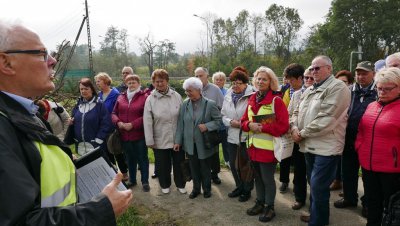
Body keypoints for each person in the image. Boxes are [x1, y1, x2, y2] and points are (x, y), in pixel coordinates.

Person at [0, 20, 131, 226]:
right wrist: (100, 211)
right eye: (42, 54)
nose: (52, 60)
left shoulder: (23, 112)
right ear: (6, 63)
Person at [291, 55, 351, 225]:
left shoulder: (338, 88)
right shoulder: (309, 89)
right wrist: (294, 128)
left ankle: (318, 221)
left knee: (318, 186)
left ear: (329, 69)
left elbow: (327, 119)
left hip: (327, 147)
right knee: (315, 185)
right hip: (308, 145)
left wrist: (301, 133)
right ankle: (316, 215)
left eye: (317, 68)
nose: (313, 71)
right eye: (311, 68)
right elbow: (296, 112)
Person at [241, 66, 289, 223]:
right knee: (257, 179)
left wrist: (262, 127)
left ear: (271, 82)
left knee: (267, 180)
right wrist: (249, 125)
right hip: (253, 148)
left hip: (268, 150)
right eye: (258, 79)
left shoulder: (276, 101)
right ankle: (260, 202)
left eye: (264, 79)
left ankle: (270, 207)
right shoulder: (252, 99)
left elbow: (283, 126)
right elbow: (243, 122)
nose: (260, 81)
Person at [355, 67, 400, 225]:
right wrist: (360, 147)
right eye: (379, 88)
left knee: (391, 208)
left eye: (388, 88)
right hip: (368, 167)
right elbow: (361, 130)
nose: (382, 92)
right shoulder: (371, 106)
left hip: (392, 171)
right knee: (372, 205)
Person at [334, 61, 376, 217]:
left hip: (368, 140)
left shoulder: (378, 92)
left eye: (364, 73)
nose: (360, 76)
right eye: (358, 73)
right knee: (348, 172)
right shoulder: (348, 90)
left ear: (373, 74)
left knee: (368, 175)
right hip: (348, 138)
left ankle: (368, 204)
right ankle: (350, 198)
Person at [174, 77, 222, 199]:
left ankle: (207, 189)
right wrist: (178, 141)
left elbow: (219, 121)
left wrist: (207, 126)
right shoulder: (185, 104)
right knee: (193, 167)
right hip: (189, 143)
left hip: (204, 143)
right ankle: (196, 189)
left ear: (199, 90)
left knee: (205, 168)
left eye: (190, 91)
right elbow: (181, 124)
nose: (188, 93)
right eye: (186, 91)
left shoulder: (209, 104)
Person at [143, 69, 186, 194]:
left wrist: (182, 137)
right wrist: (150, 140)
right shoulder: (150, 99)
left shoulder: (176, 96)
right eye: (156, 82)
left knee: (179, 162)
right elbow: (147, 121)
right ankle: (165, 184)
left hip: (177, 137)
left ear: (167, 81)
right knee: (163, 164)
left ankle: (180, 183)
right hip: (159, 137)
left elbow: (182, 118)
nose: (159, 84)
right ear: (153, 82)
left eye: (162, 81)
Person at [221, 66, 255, 202]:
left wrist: (241, 124)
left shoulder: (252, 95)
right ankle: (239, 186)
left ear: (245, 83)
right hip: (232, 135)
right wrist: (230, 122)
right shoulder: (228, 94)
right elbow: (222, 115)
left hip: (246, 136)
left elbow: (255, 117)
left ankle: (247, 190)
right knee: (233, 165)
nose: (235, 85)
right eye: (233, 82)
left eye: (238, 83)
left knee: (245, 166)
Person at [112, 74, 150, 191]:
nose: (131, 84)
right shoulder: (121, 97)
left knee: (142, 159)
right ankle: (132, 180)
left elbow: (147, 115)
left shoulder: (145, 97)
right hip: (125, 136)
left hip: (139, 135)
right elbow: (113, 113)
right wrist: (118, 122)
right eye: (129, 82)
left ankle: (145, 182)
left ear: (139, 84)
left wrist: (133, 124)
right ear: (126, 84)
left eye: (134, 82)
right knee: (130, 159)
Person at [288, 66, 314, 211]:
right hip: (297, 139)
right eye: (306, 78)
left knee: (313, 176)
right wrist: (294, 130)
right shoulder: (296, 95)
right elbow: (290, 114)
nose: (309, 80)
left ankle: (314, 202)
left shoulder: (321, 94)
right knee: (299, 171)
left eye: (311, 77)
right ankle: (299, 198)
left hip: (313, 140)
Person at [95, 72, 129, 181]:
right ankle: (113, 172)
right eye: (96, 82)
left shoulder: (116, 94)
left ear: (105, 81)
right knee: (107, 152)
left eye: (98, 81)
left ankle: (124, 173)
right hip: (102, 129)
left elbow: (119, 111)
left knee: (117, 151)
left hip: (113, 129)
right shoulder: (99, 95)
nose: (97, 83)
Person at [70, 78, 114, 158]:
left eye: (86, 89)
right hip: (80, 146)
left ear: (92, 89)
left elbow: (106, 124)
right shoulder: (78, 104)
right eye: (81, 89)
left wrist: (98, 139)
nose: (83, 91)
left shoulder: (99, 105)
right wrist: (71, 121)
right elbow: (73, 117)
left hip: (95, 145)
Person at [278, 63, 305, 194]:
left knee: (298, 161)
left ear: (300, 78)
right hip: (286, 130)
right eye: (287, 79)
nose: (289, 82)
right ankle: (284, 181)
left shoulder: (307, 91)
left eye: (292, 79)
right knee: (285, 158)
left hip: (299, 132)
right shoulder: (285, 90)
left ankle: (297, 184)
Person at [194, 67, 224, 184]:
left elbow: (222, 107)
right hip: (197, 128)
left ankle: (214, 174)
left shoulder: (215, 89)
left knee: (214, 152)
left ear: (207, 76)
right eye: (196, 76)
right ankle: (202, 174)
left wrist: (212, 123)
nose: (198, 78)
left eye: (200, 75)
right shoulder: (192, 89)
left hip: (211, 127)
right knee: (199, 152)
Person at [330, 70, 355, 191]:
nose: (341, 84)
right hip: (338, 132)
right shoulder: (334, 94)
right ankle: (337, 180)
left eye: (344, 82)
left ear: (350, 83)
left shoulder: (353, 94)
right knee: (338, 158)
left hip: (350, 132)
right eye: (339, 82)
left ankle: (345, 187)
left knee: (347, 162)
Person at [212, 71, 229, 167]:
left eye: (221, 80)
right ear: (213, 81)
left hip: (224, 125)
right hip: (214, 125)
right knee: (214, 149)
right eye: (216, 80)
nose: (218, 81)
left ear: (224, 81)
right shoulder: (211, 91)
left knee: (226, 145)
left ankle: (228, 162)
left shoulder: (227, 92)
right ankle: (215, 167)